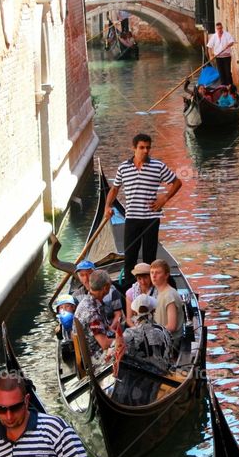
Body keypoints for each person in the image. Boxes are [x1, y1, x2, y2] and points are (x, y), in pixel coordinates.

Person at [104, 134, 183, 287]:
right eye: (142, 147)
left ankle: (150, 289)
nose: (145, 151)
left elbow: (177, 183)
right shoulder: (123, 168)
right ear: (134, 148)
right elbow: (114, 189)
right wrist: (108, 206)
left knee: (149, 257)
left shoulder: (158, 166)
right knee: (130, 256)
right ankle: (129, 290)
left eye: (148, 147)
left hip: (151, 219)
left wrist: (164, 198)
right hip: (132, 218)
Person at [75, 270, 123, 355]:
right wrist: (122, 341)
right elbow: (104, 344)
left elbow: (106, 327)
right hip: (95, 355)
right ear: (106, 287)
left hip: (92, 347)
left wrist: (120, 336)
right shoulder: (92, 311)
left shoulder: (92, 301)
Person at [122, 295, 173, 375]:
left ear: (135, 313)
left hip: (140, 379)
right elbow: (169, 357)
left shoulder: (128, 334)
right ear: (153, 311)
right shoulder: (164, 331)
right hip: (163, 377)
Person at [150, 259, 185, 351]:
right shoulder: (159, 293)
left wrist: (151, 335)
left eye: (158, 273)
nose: (154, 276)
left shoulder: (169, 296)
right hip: (163, 338)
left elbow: (171, 326)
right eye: (152, 272)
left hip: (171, 342)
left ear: (166, 275)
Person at [206, 22, 236, 87]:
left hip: (226, 56)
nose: (219, 30)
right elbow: (209, 47)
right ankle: (223, 87)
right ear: (216, 29)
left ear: (222, 28)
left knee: (228, 73)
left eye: (220, 28)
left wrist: (228, 45)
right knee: (221, 73)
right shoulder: (214, 36)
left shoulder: (227, 35)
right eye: (218, 29)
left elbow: (232, 42)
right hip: (218, 57)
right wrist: (211, 55)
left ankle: (230, 86)